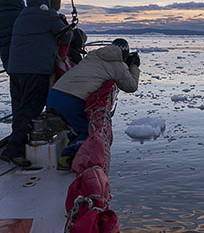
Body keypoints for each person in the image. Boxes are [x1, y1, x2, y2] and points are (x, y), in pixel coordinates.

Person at [2, 0, 71, 167]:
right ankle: (14, 150)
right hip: (36, 70)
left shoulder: (23, 15)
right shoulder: (47, 16)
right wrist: (63, 22)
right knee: (31, 109)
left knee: (19, 109)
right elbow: (66, 36)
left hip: (16, 70)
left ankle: (17, 143)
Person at [46, 38, 140, 170]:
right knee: (91, 132)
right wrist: (134, 67)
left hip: (54, 95)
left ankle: (70, 142)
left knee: (76, 125)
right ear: (124, 54)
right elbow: (131, 86)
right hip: (71, 101)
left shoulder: (93, 56)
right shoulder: (118, 66)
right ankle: (68, 158)